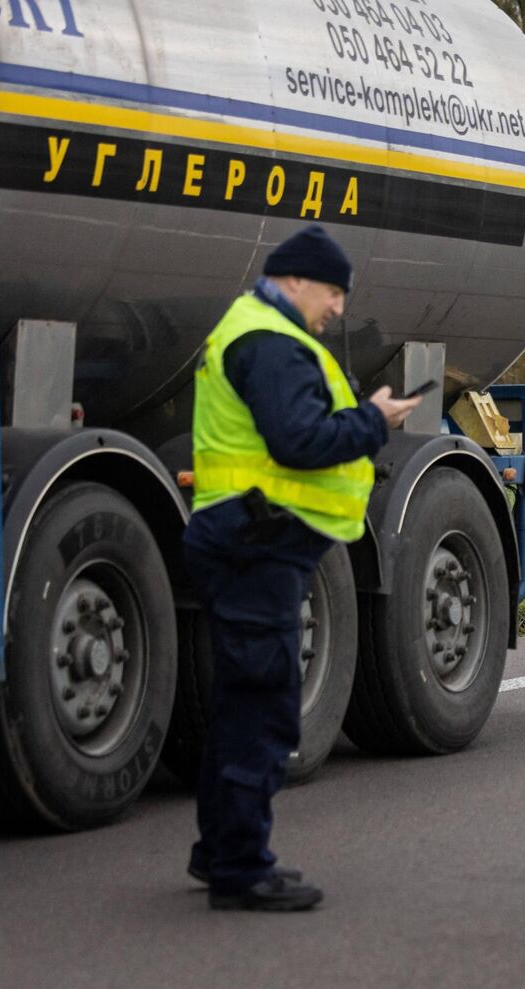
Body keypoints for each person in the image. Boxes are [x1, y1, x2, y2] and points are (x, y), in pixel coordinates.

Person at [184, 225, 420, 912]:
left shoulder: (255, 331)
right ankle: (239, 867)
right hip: (256, 539)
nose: (339, 308)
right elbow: (301, 443)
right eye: (333, 292)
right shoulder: (272, 341)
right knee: (263, 704)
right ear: (294, 281)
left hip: (247, 535)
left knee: (244, 701)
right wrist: (374, 420)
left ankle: (221, 848)